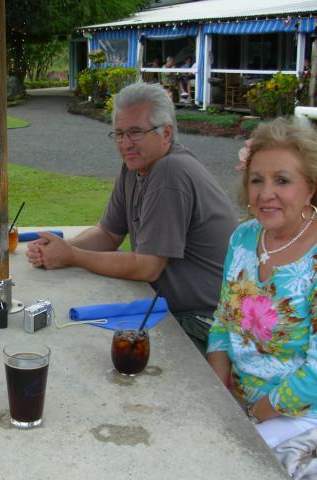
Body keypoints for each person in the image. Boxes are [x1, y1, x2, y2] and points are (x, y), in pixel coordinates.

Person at [26, 81, 238, 351]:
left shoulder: (170, 172)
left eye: (136, 132)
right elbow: (108, 233)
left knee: (83, 347)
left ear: (166, 133)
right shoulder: (134, 168)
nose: (125, 144)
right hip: (169, 308)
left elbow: (146, 266)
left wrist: (71, 256)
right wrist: (59, 249)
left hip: (204, 322)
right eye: (119, 134)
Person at [207, 117, 317, 451]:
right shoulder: (243, 237)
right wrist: (216, 393)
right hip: (240, 403)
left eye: (282, 180)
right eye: (257, 180)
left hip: (300, 414)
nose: (266, 193)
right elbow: (223, 322)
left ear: (311, 187)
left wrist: (253, 415)